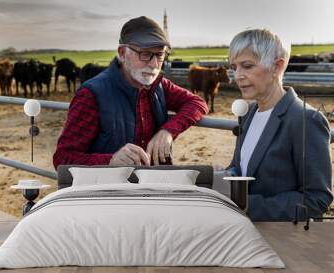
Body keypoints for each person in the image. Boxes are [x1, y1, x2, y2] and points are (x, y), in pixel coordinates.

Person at [53, 16, 208, 168]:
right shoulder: (92, 95)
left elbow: (197, 102)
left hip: (153, 186)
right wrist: (110, 161)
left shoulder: (159, 85)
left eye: (160, 54)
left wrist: (168, 131)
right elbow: (62, 158)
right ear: (122, 53)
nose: (154, 64)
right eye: (145, 54)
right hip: (111, 191)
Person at [227, 28, 333, 221]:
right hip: (245, 235)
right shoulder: (248, 113)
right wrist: (226, 175)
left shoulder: (306, 120)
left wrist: (246, 205)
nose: (238, 76)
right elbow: (241, 169)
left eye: (247, 66)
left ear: (277, 67)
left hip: (281, 241)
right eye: (235, 67)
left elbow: (316, 199)